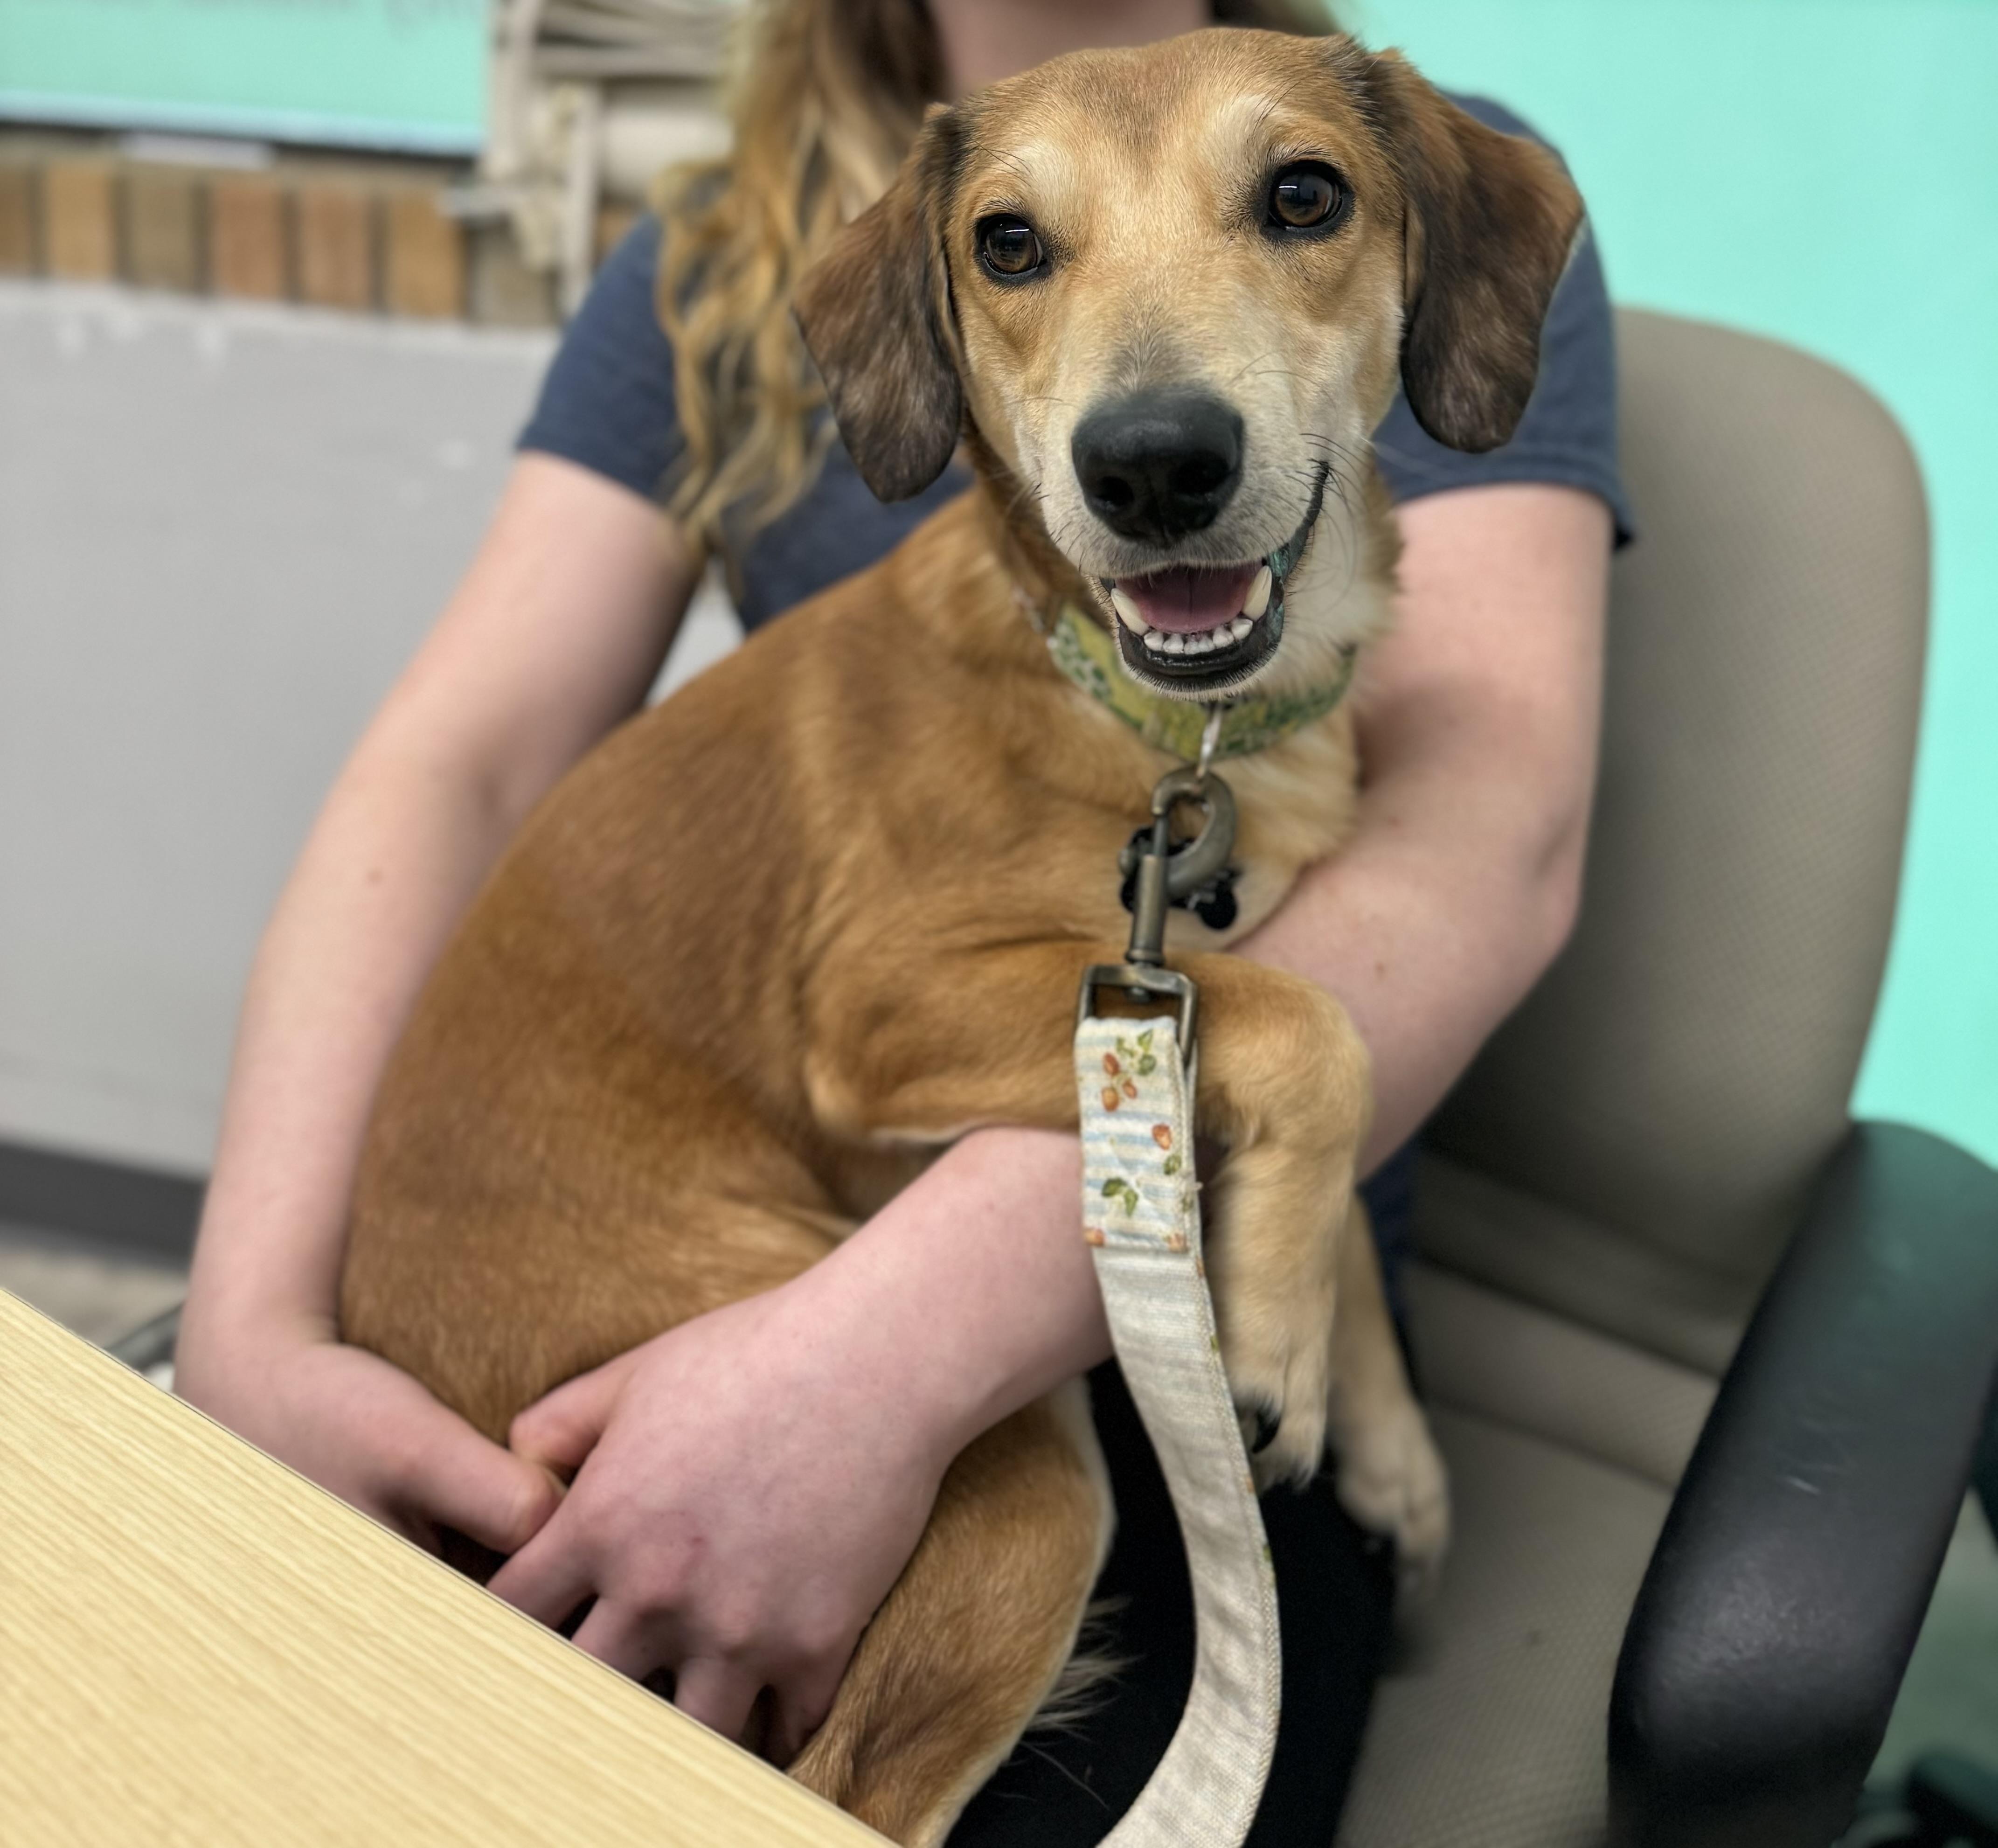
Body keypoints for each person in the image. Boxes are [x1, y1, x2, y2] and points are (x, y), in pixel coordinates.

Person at [176, 0, 1630, 1836]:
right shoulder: (711, 259)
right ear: (946, 326)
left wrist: (875, 1359)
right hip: (682, 1273)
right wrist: (250, 1327)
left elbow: (1486, 834)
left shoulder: (1423, 145)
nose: (1151, 423)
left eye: (1290, 207)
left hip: (1142, 1325)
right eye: (1019, 250)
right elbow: (453, 766)